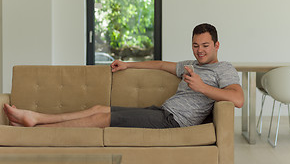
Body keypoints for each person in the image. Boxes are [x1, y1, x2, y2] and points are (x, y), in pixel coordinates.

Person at [3, 23, 244, 128]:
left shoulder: (224, 70)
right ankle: (36, 117)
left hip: (175, 122)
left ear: (216, 45)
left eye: (205, 45)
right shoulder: (190, 64)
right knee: (99, 108)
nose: (200, 50)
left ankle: (35, 127)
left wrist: (202, 87)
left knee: (100, 120)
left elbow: (238, 99)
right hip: (161, 111)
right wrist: (128, 65)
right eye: (195, 45)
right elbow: (161, 66)